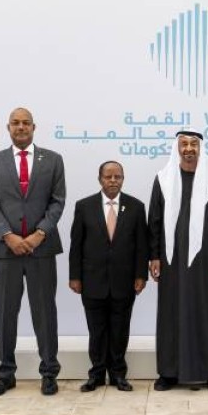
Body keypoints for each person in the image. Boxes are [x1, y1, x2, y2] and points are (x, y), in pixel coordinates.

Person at [0, 107, 67, 396]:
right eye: (15, 123)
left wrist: (40, 234)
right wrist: (8, 235)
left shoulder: (53, 160)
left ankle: (49, 373)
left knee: (45, 312)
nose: (20, 127)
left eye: (25, 123)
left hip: (41, 250)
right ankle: (5, 374)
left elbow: (57, 201)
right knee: (5, 314)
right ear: (8, 128)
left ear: (33, 127)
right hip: (5, 251)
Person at [148, 130, 208, 391]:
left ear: (201, 148)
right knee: (171, 313)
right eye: (183, 144)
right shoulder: (163, 180)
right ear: (177, 148)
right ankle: (168, 373)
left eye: (194, 144)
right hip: (171, 261)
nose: (188, 149)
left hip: (207, 262)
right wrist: (154, 256)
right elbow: (155, 221)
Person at [68, 161, 148, 392]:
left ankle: (118, 375)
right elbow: (76, 245)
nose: (113, 180)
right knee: (97, 331)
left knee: (120, 331)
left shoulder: (136, 206)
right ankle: (96, 375)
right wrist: (75, 276)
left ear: (123, 179)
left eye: (118, 176)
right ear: (100, 179)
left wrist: (141, 275)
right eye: (108, 177)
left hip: (124, 281)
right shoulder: (84, 206)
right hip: (92, 281)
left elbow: (141, 245)